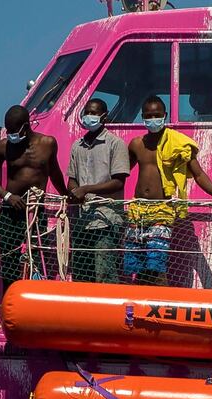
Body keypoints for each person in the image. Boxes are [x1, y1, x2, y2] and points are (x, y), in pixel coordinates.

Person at [126, 95, 212, 285]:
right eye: (148, 116)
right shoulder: (136, 144)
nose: (153, 120)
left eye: (157, 115)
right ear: (142, 117)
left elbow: (198, 174)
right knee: (137, 264)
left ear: (165, 115)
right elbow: (120, 174)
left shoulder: (178, 144)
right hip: (137, 210)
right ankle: (140, 304)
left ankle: (161, 304)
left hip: (162, 210)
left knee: (156, 263)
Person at [0, 105, 71, 293]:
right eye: (9, 131)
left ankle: (32, 304)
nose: (12, 134)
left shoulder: (47, 143)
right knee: (9, 261)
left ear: (25, 126)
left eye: (15, 130)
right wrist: (8, 197)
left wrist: (66, 194)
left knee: (35, 259)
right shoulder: (4, 146)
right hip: (10, 212)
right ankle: (10, 303)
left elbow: (54, 172)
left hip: (35, 213)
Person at [67, 99, 130, 283]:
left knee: (105, 275)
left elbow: (118, 182)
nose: (89, 117)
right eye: (87, 112)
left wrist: (86, 190)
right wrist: (74, 192)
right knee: (80, 275)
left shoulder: (115, 144)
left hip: (106, 220)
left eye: (94, 113)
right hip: (81, 222)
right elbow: (72, 180)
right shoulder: (76, 146)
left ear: (104, 116)